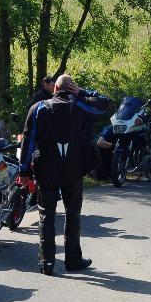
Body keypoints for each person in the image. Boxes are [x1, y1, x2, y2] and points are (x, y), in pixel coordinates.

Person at [19, 74, 109, 275]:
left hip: (46, 170)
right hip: (73, 170)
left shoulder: (38, 108)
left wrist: (23, 171)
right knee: (73, 214)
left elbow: (28, 140)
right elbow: (104, 104)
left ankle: (47, 263)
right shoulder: (81, 105)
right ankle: (73, 260)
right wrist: (83, 92)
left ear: (55, 89)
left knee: (46, 215)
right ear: (72, 88)